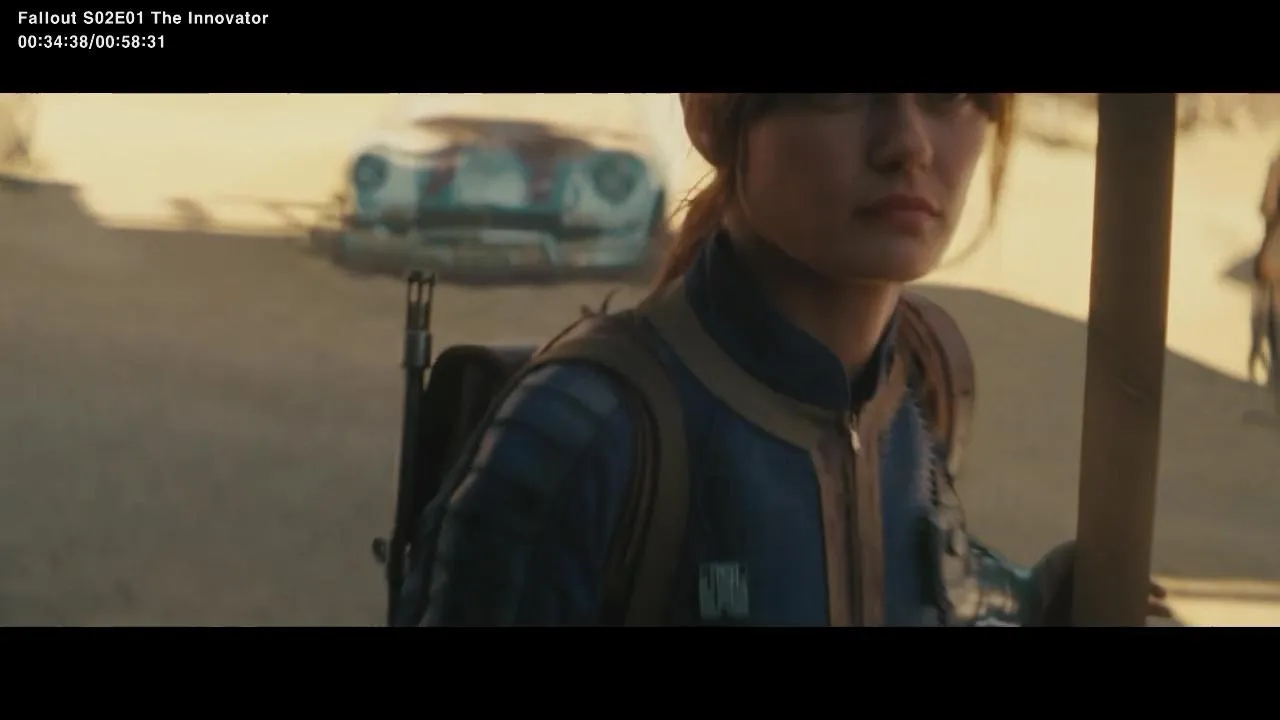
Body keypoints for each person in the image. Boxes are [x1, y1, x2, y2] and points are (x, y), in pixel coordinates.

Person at [408, 93, 1171, 626]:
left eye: (948, 94)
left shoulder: (911, 392)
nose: (908, 144)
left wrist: (1034, 605)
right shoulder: (581, 436)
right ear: (710, 115)